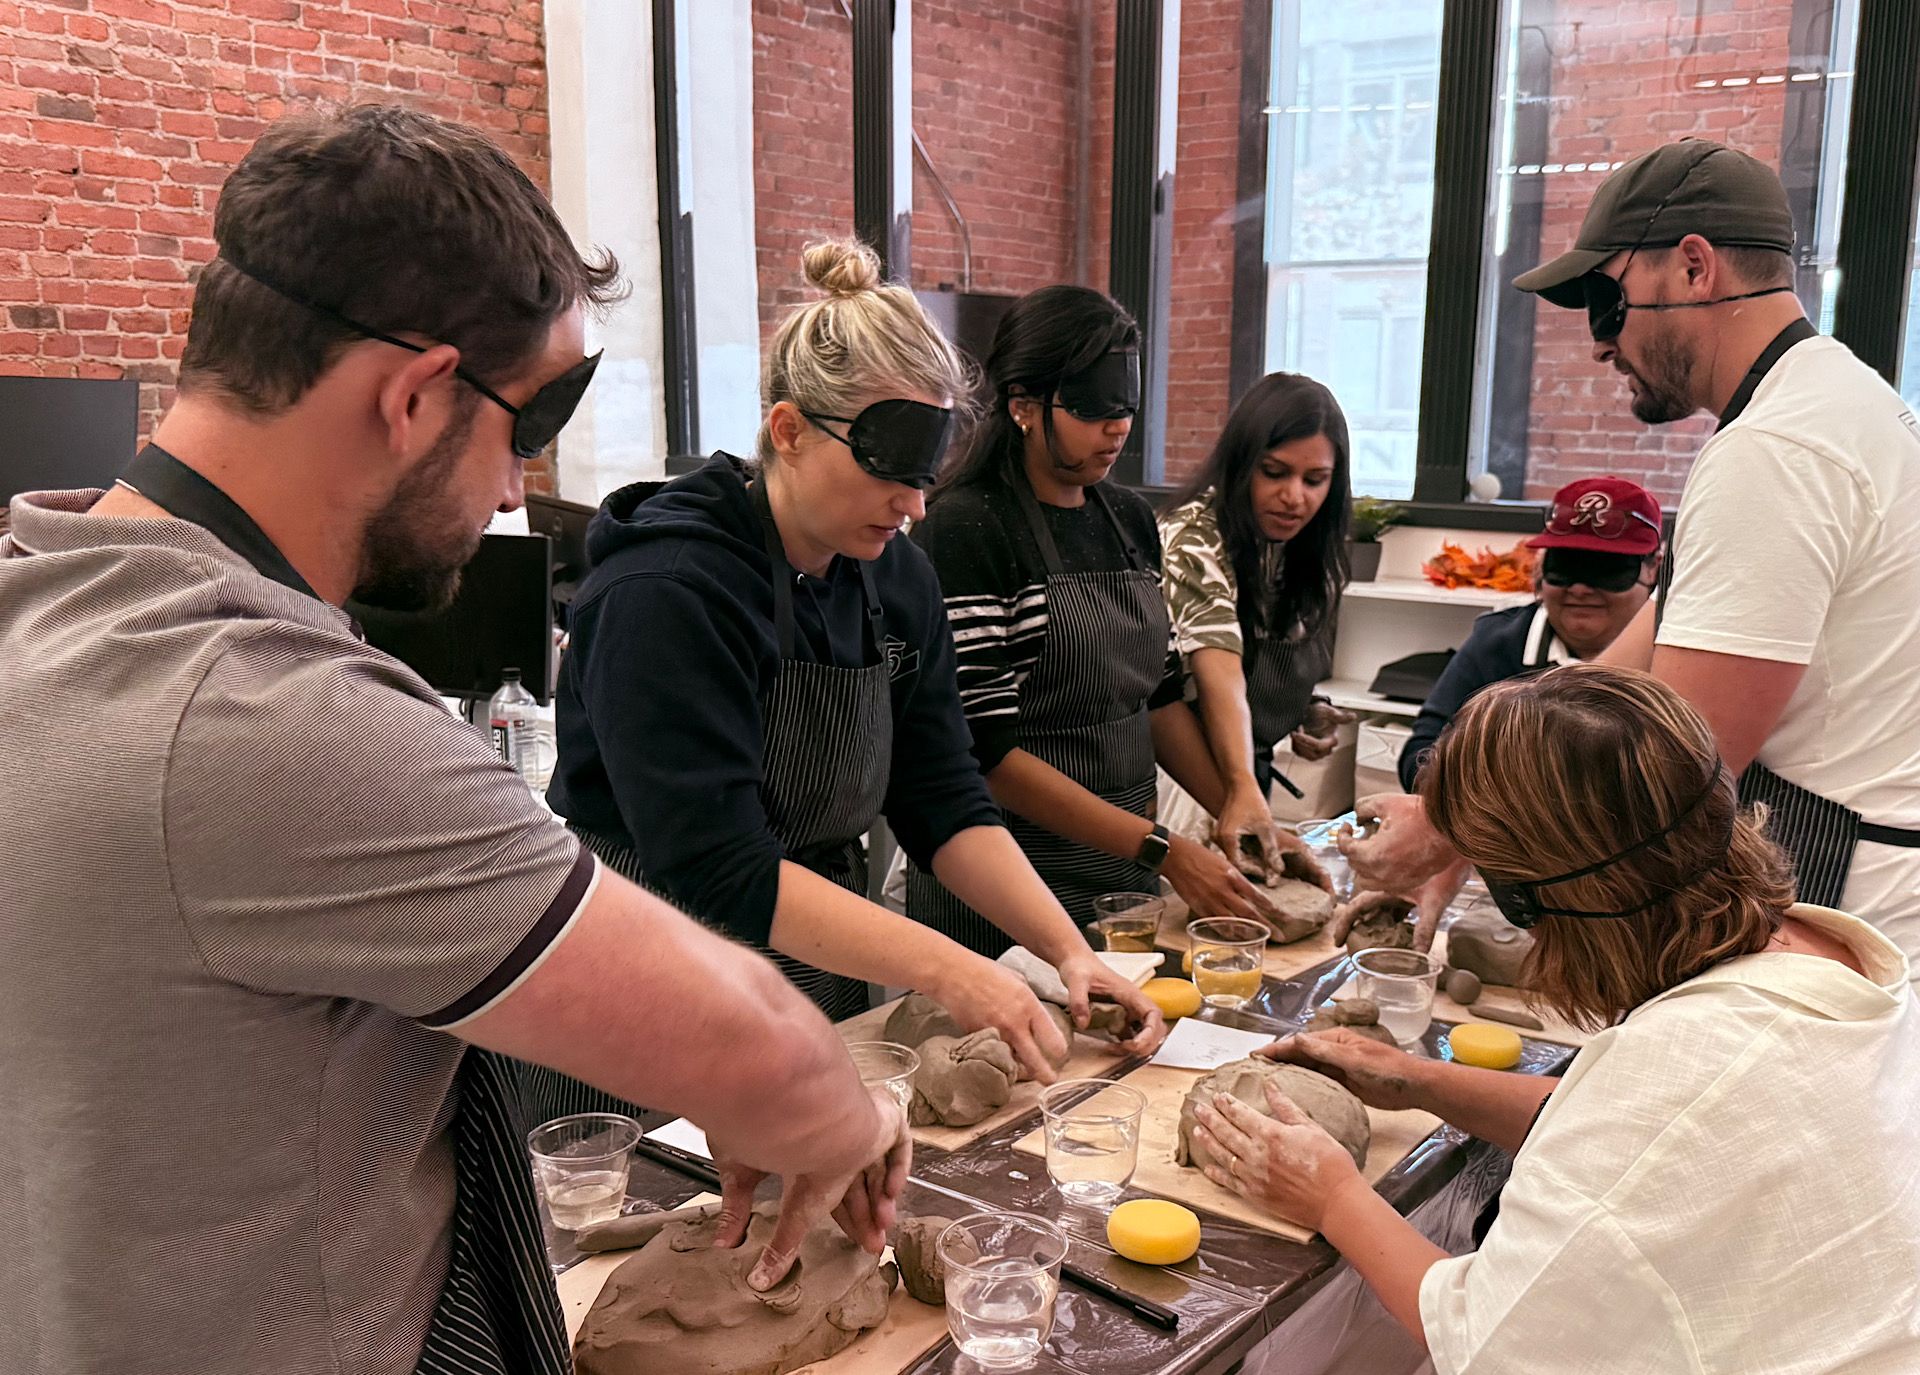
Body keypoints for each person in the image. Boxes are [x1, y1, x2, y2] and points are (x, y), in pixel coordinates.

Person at [0, 107, 910, 1375]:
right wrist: (844, 1112)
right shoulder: (276, 717)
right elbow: (754, 1045)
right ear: (417, 393)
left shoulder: (42, 592)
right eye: (520, 435)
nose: (508, 496)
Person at [1196, 665, 1920, 1372]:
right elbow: (1638, 1127)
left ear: (1544, 900)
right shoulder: (1824, 956)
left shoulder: (1677, 1070)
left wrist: (1332, 1195)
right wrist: (1415, 1078)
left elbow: (1484, 1339)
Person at [546, 240, 1162, 1071]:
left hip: (816, 965)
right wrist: (954, 968)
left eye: (927, 472)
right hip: (651, 984)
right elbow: (717, 865)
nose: (913, 505)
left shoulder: (893, 573)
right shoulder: (664, 591)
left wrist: (1066, 949)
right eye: (889, 471)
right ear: (789, 430)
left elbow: (940, 794)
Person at [1344, 139, 1920, 969]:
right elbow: (1638, 658)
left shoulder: (1778, 449)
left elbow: (1676, 765)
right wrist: (1465, 821)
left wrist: (1444, 830)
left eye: (1607, 302)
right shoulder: (1836, 399)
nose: (1598, 345)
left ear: (1694, 267)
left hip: (1844, 887)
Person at [906, 285, 1277, 953]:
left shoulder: (1128, 519)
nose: (1118, 428)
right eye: (1093, 409)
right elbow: (985, 754)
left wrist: (1236, 812)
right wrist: (1166, 849)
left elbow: (1157, 698)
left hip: (1122, 879)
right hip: (1005, 885)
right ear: (1022, 405)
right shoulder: (965, 529)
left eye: (1126, 408)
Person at [1159, 372, 1353, 877]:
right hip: (1178, 779)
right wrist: (1241, 783)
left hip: (1245, 775)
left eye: (1315, 481)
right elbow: (1217, 668)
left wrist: (1298, 711)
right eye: (1275, 472)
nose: (1295, 497)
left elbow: (1261, 662)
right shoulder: (1192, 537)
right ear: (1242, 463)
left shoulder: (1308, 556)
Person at [1397, 475, 1661, 790]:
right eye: (1564, 567)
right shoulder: (1497, 642)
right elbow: (1421, 754)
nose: (1580, 588)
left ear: (1653, 569)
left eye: (1606, 570)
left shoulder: (1678, 657)